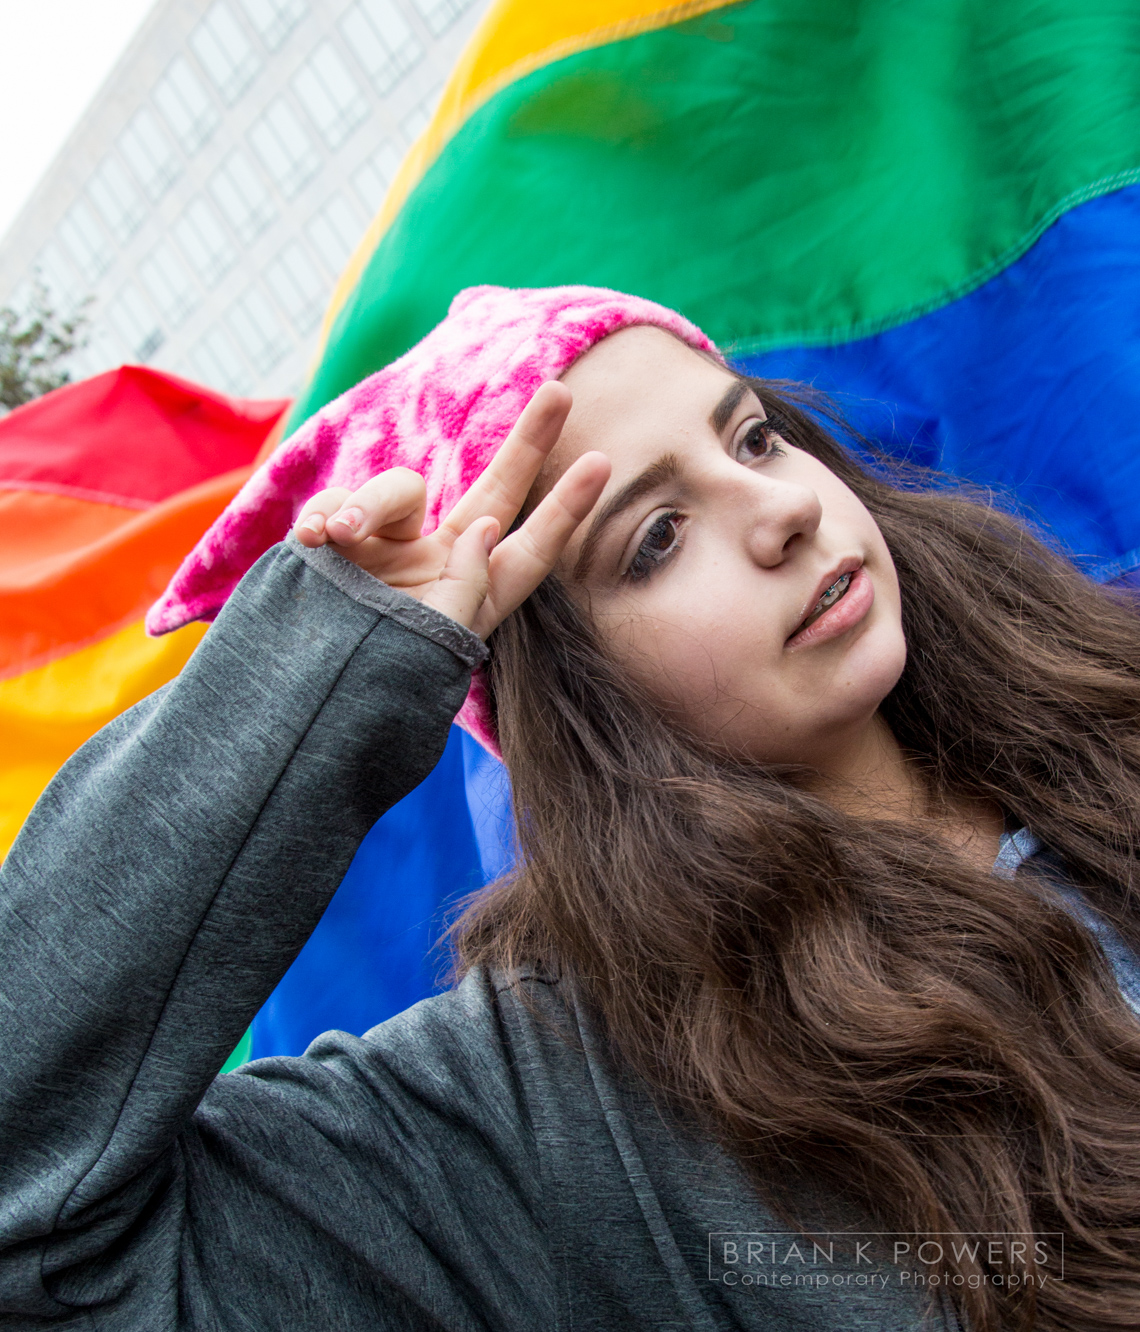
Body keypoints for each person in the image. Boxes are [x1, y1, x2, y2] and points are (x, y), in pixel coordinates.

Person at [2, 284, 1139, 1332]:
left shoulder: (1108, 710)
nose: (781, 510)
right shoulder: (546, 1114)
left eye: (751, 436)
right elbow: (36, 1234)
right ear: (566, 696)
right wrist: (336, 667)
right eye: (656, 538)